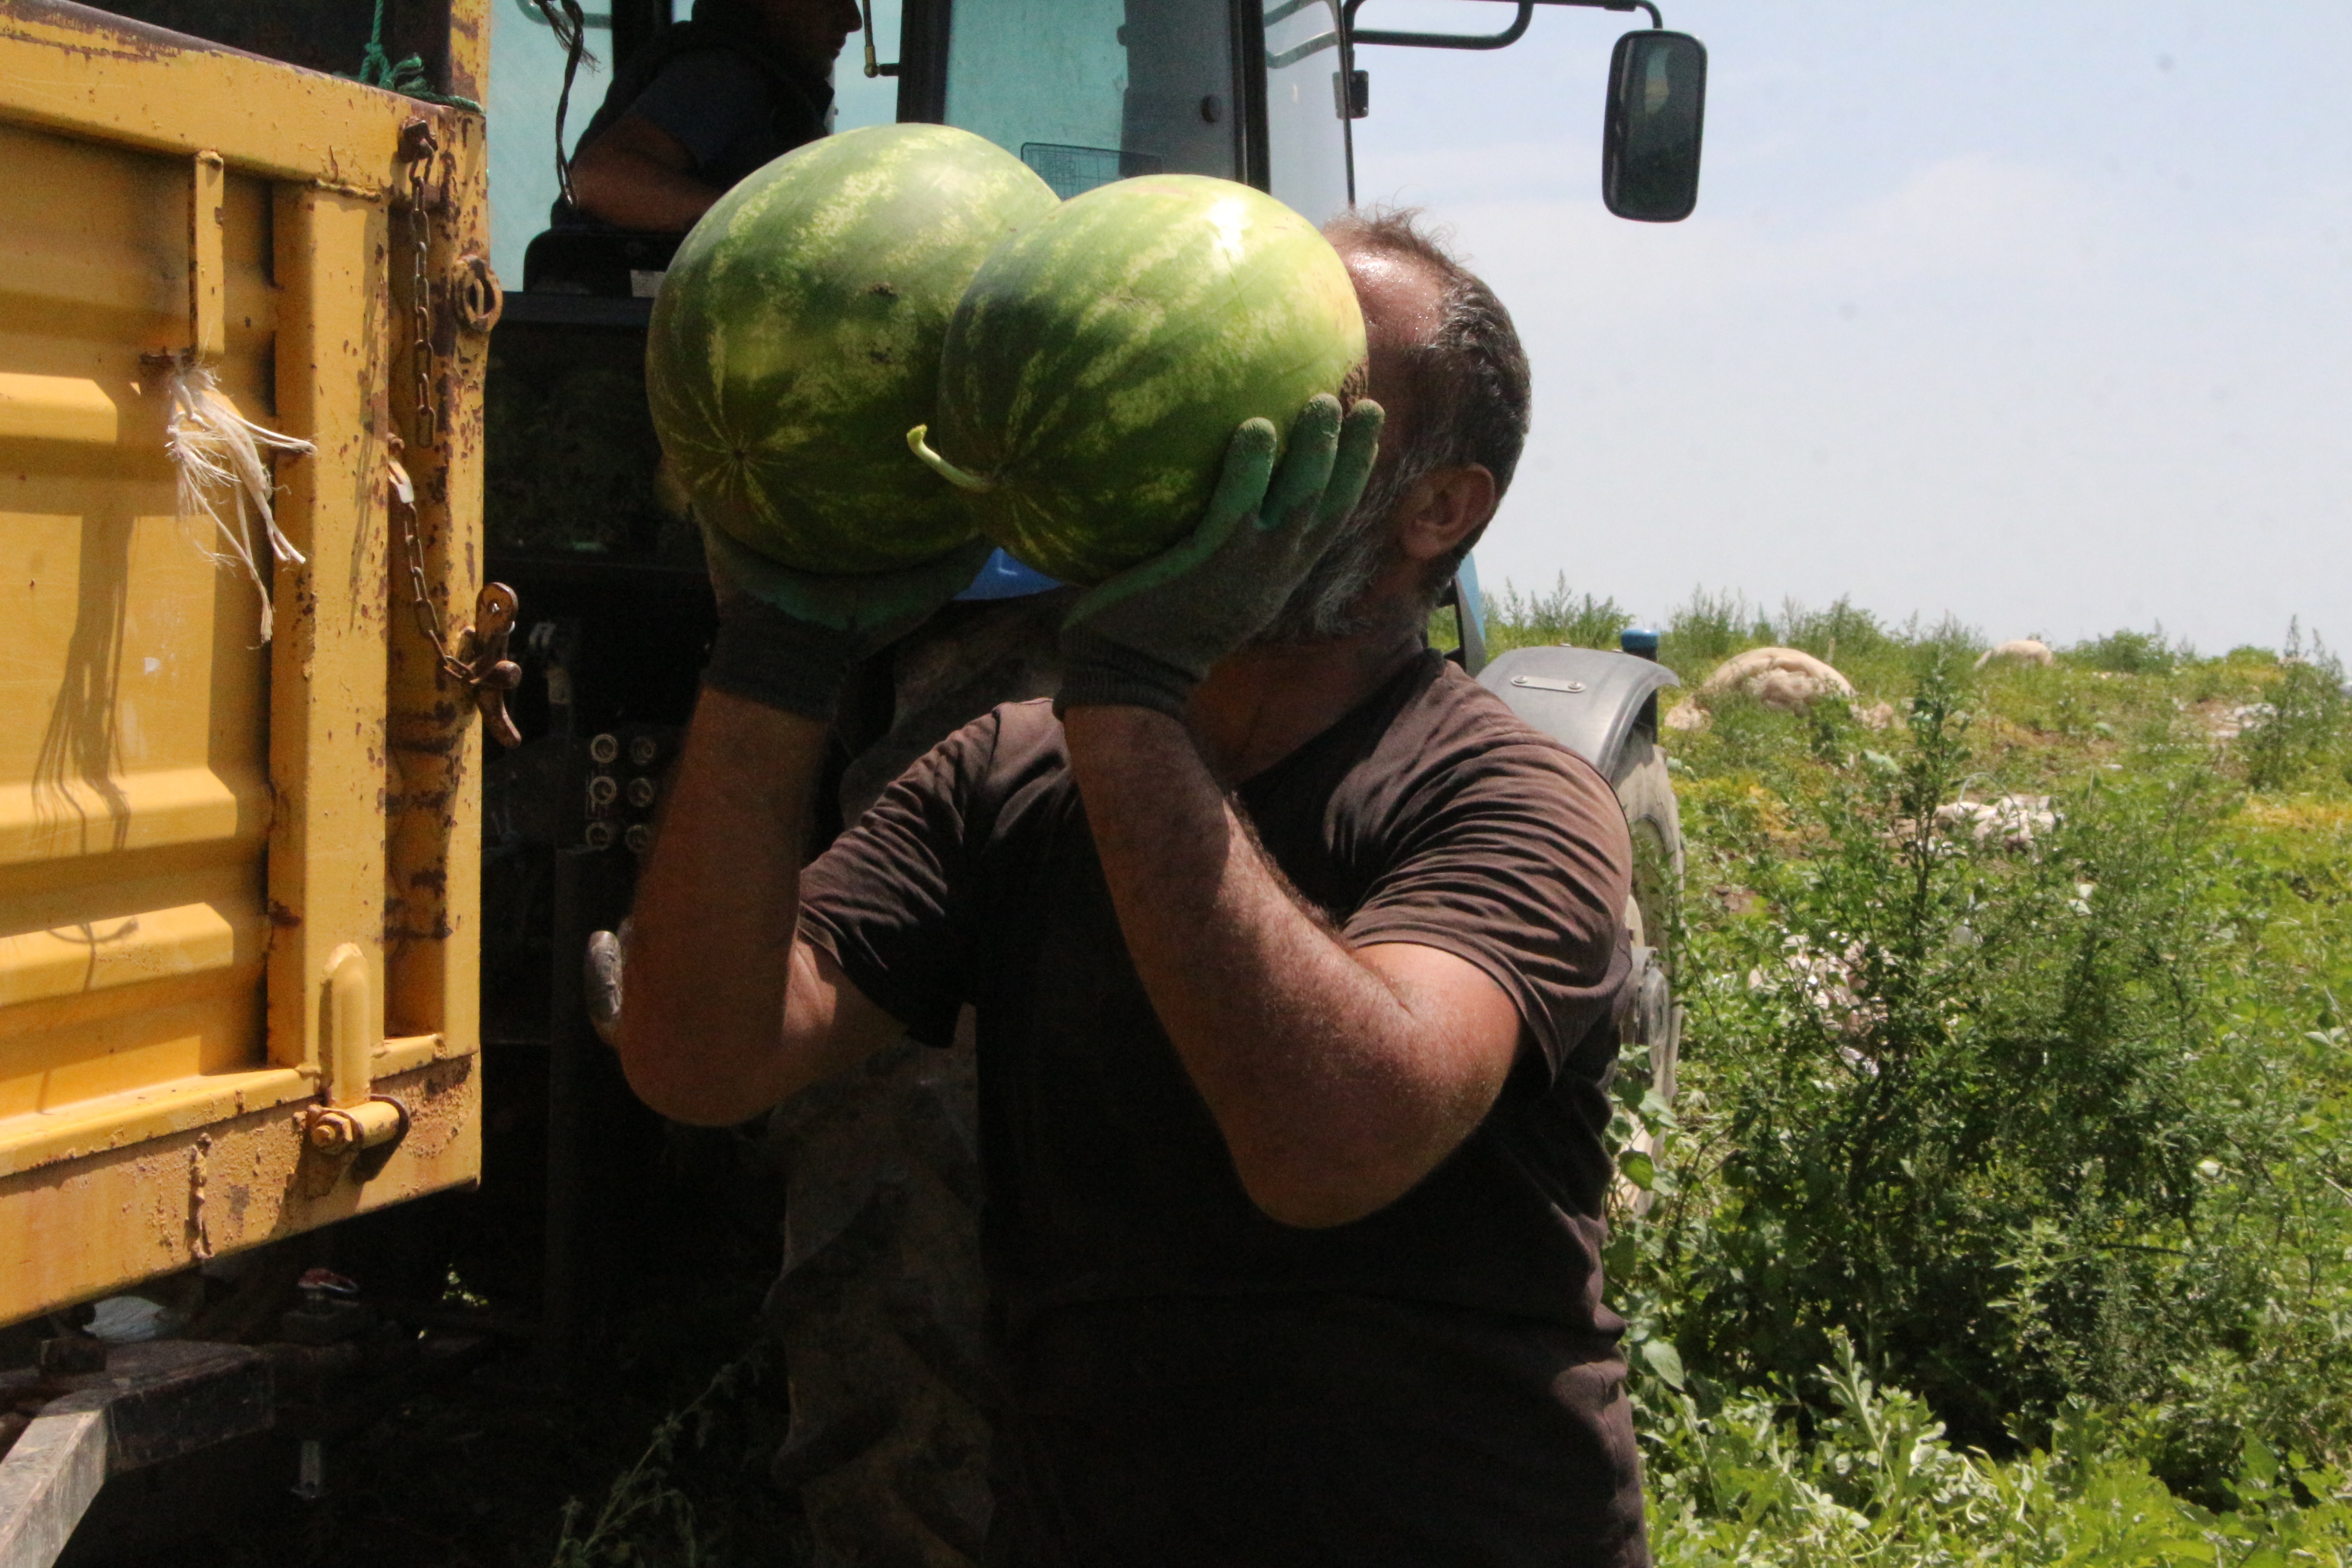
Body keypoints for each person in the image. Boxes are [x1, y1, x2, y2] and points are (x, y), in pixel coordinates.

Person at [620, 210, 1648, 1567]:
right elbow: (702, 1058)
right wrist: (774, 655)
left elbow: (1328, 1149)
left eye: (1296, 404)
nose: (1217, 431)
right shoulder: (1003, 774)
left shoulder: (1512, 797)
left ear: (1440, 506)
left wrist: (1130, 693)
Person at [554, 0, 862, 233]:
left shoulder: (767, 90)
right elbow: (600, 179)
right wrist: (771, 231)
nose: (854, 20)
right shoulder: (721, 76)